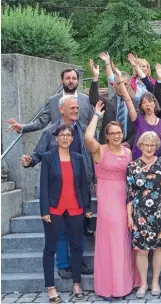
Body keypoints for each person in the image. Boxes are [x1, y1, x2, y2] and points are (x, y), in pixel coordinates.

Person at [20, 96, 94, 279]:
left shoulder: (84, 130)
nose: (76, 110)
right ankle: (63, 264)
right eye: (73, 108)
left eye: (77, 107)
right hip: (58, 189)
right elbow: (39, 154)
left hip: (79, 185)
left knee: (79, 230)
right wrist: (29, 161)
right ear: (61, 110)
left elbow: (91, 154)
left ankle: (78, 261)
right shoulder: (51, 132)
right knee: (60, 231)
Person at [85, 103, 138, 300]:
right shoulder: (100, 150)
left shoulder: (128, 152)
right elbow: (88, 137)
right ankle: (108, 286)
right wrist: (97, 115)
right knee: (110, 241)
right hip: (107, 200)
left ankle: (124, 284)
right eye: (113, 133)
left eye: (119, 132)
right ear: (107, 135)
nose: (116, 135)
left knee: (123, 240)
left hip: (124, 198)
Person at [39, 124, 92, 303]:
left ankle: (76, 283)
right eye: (62, 135)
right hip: (54, 209)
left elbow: (83, 184)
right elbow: (44, 185)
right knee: (50, 248)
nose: (65, 138)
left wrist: (87, 207)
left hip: (75, 207)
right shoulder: (48, 158)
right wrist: (44, 210)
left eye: (68, 135)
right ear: (56, 138)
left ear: (72, 138)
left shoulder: (77, 158)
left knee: (76, 246)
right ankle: (50, 287)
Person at [126, 130, 161, 298]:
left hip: (160, 212)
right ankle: (143, 283)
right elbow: (129, 194)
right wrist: (129, 217)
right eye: (146, 145)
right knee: (141, 250)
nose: (149, 148)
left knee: (158, 248)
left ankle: (155, 281)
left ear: (156, 147)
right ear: (140, 146)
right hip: (140, 213)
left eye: (152, 145)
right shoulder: (132, 166)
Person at [6, 69, 93, 134]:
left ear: (77, 81)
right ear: (62, 80)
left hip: (83, 149)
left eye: (74, 78)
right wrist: (22, 127)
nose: (71, 81)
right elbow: (41, 122)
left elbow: (92, 125)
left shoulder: (86, 100)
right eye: (67, 78)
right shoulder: (53, 100)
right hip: (58, 149)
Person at [111, 65, 161, 159]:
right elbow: (127, 99)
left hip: (157, 163)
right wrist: (120, 80)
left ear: (155, 104)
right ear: (141, 106)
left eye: (150, 102)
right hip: (139, 162)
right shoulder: (138, 119)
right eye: (144, 102)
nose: (147, 105)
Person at [89, 57, 136, 146]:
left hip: (129, 147)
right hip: (108, 146)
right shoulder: (108, 102)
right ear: (114, 85)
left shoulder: (136, 104)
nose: (122, 87)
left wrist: (129, 143)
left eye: (125, 84)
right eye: (119, 83)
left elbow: (139, 127)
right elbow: (93, 100)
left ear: (129, 85)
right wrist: (95, 78)